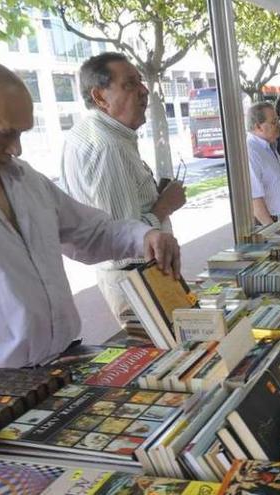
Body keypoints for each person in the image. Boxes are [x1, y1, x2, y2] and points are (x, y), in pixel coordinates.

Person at [0, 62, 181, 402]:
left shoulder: (21, 176)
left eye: (21, 134)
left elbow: (89, 232)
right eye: (3, 133)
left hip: (67, 364)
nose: (16, 149)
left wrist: (143, 236)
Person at [61, 52, 186, 323]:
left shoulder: (106, 135)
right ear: (100, 97)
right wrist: (165, 205)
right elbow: (119, 238)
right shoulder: (107, 146)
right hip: (137, 278)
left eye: (141, 81)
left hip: (141, 276)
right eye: (130, 84)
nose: (144, 91)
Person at [246, 102, 280, 225]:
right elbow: (255, 200)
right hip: (276, 224)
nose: (279, 125)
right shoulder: (251, 152)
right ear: (258, 127)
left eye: (278, 121)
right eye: (274, 122)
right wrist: (272, 230)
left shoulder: (269, 146)